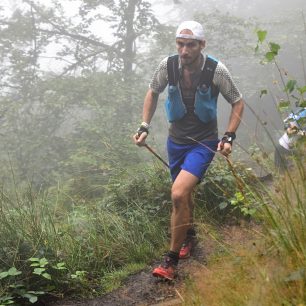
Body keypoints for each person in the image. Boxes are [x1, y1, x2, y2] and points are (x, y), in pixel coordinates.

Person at [133, 20, 245, 280]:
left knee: (178, 192)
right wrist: (144, 125)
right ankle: (189, 237)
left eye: (190, 45)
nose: (184, 51)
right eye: (180, 44)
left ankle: (170, 263)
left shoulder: (216, 70)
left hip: (203, 143)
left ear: (201, 45)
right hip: (175, 142)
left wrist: (229, 136)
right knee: (184, 195)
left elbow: (238, 103)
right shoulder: (168, 65)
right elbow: (152, 92)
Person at [274, 107, 306, 172]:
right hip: (283, 147)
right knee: (281, 171)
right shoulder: (301, 112)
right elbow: (288, 127)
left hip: (290, 147)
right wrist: (300, 132)